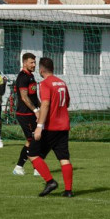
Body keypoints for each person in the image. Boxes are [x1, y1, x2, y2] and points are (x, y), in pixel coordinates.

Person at [29, 57, 73, 197]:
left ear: (41, 70)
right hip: (63, 126)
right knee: (64, 158)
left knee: (32, 154)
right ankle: (68, 191)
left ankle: (50, 181)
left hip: (50, 127)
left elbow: (45, 104)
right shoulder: (62, 83)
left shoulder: (45, 84)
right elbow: (67, 103)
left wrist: (39, 126)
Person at [12, 53, 40, 176]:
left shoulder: (31, 76)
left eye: (34, 62)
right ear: (24, 63)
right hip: (25, 114)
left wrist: (40, 108)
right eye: (31, 62)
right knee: (33, 140)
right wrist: (36, 110)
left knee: (33, 140)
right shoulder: (22, 77)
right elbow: (24, 97)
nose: (34, 65)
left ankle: (19, 167)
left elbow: (33, 96)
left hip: (31, 113)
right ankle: (36, 168)